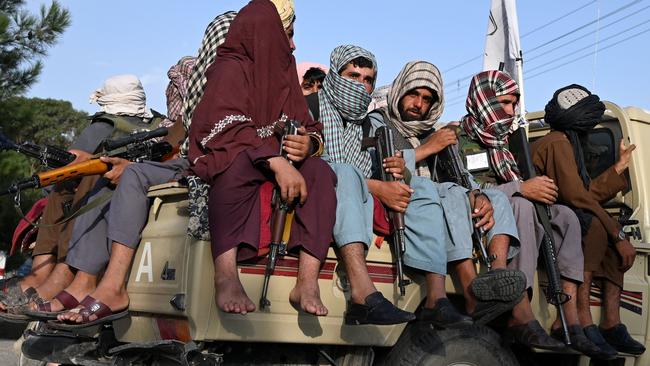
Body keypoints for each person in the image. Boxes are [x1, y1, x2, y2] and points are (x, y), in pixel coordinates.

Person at [187, 0, 336, 316]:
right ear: (266, 33)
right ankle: (226, 275)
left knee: (320, 172)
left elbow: (309, 126)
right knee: (235, 165)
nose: (292, 44)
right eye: (288, 35)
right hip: (234, 150)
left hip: (272, 154)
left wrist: (308, 144)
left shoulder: (283, 74)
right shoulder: (231, 67)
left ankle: (307, 282)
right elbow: (225, 127)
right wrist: (276, 161)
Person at [32, 57, 197, 328]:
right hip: (169, 160)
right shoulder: (162, 124)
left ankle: (81, 279)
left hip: (185, 167)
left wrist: (129, 166)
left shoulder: (106, 125)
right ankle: (76, 279)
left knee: (119, 177)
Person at [366, 60, 525, 328]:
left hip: (443, 199)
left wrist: (477, 194)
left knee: (494, 196)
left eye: (427, 99)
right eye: (413, 94)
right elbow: (378, 169)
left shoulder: (433, 131)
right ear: (400, 91)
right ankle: (470, 292)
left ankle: (497, 276)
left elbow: (460, 174)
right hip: (406, 202)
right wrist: (426, 149)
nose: (418, 104)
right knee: (444, 190)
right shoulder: (378, 123)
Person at [458, 70, 603, 354]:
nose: (511, 111)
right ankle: (519, 311)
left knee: (567, 217)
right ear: (484, 100)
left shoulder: (509, 145)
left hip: (511, 211)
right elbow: (462, 191)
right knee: (522, 204)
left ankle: (568, 318)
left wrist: (536, 188)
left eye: (514, 104)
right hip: (480, 217)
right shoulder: (458, 138)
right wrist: (520, 187)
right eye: (504, 103)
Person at [0, 75, 163, 321]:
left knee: (67, 187)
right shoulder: (157, 124)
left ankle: (50, 275)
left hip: (117, 190)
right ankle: (52, 277)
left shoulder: (103, 125)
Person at [532, 84, 645, 356]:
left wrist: (617, 169)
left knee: (605, 233)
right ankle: (582, 320)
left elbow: (581, 193)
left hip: (561, 212)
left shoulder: (565, 143)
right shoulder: (558, 141)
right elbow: (578, 198)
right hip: (546, 218)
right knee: (594, 227)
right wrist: (616, 233)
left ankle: (611, 323)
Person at [309, 44, 415, 325]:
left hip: (356, 202)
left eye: (368, 80)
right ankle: (363, 292)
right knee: (343, 173)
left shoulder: (372, 126)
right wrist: (376, 187)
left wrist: (397, 173)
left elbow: (385, 175)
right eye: (353, 76)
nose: (360, 85)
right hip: (313, 197)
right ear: (335, 75)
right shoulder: (309, 107)